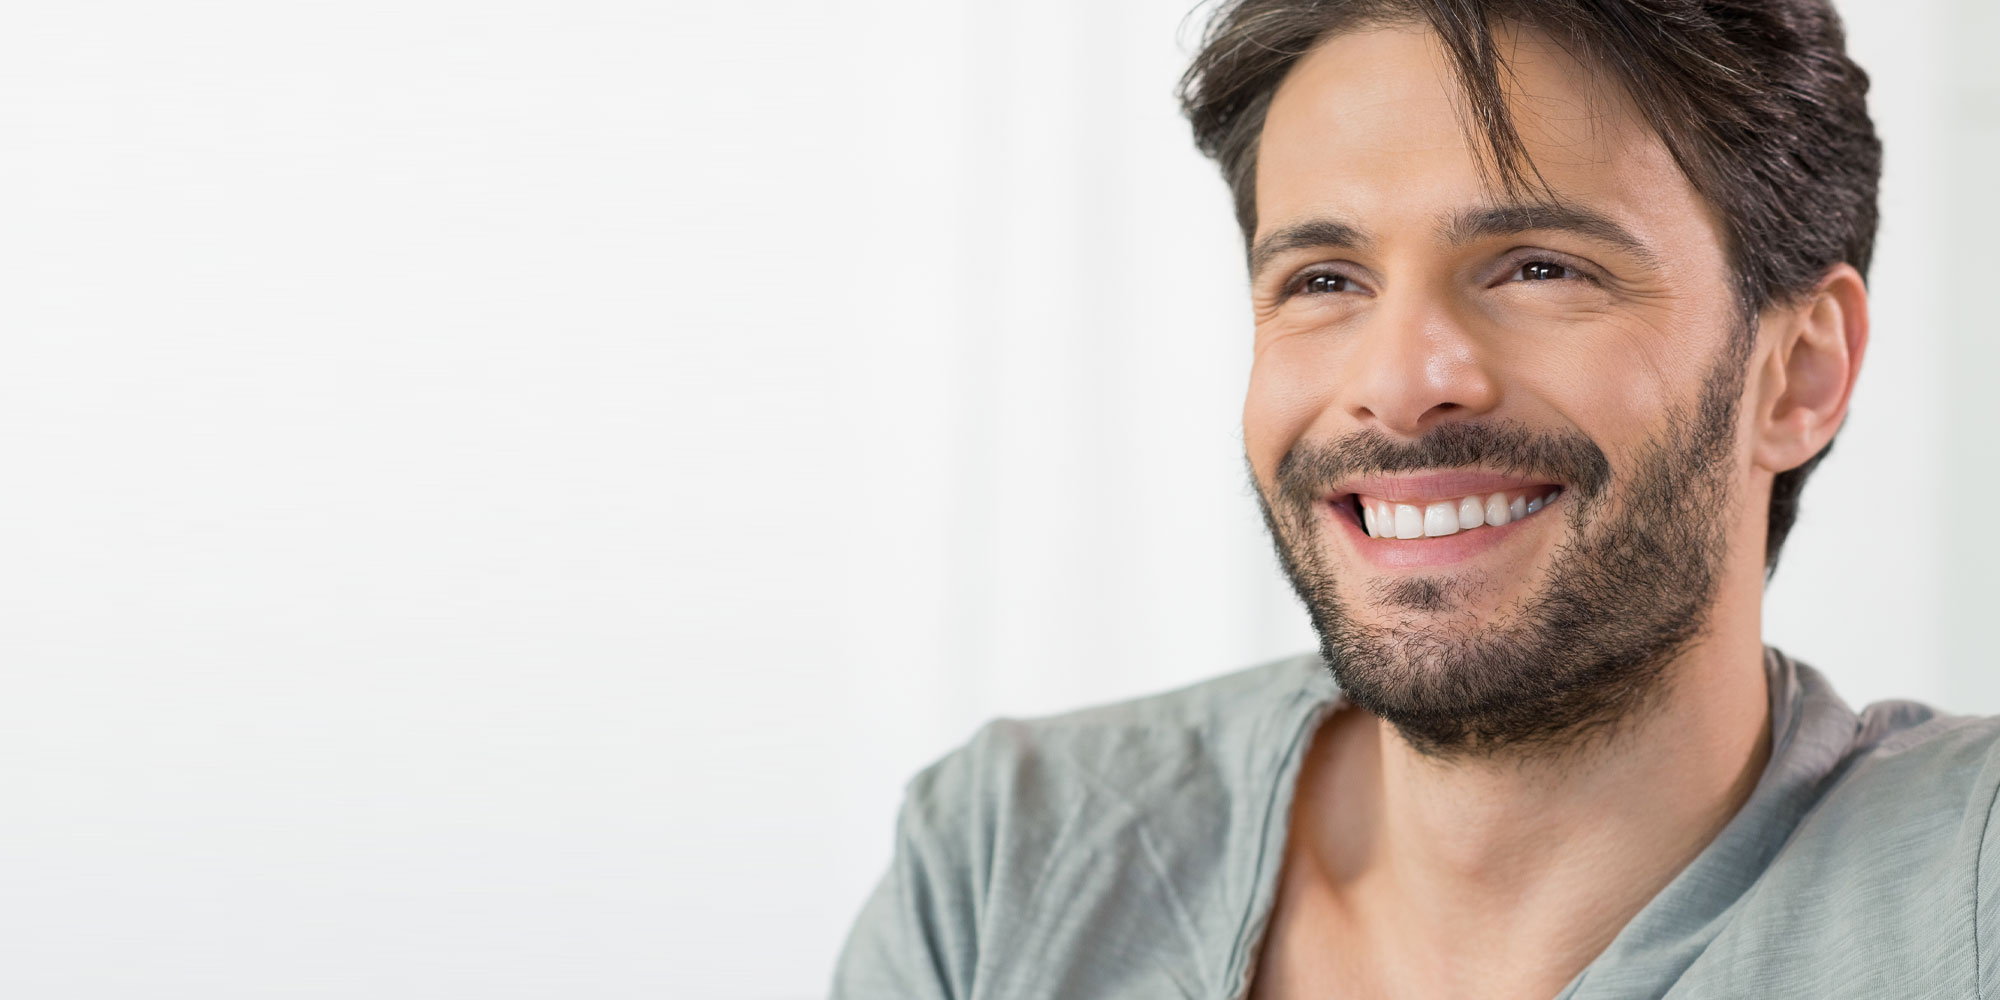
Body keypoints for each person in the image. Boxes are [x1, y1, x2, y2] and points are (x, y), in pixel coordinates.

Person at [833, 1, 1987, 996]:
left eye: (1538, 267)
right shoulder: (1004, 868)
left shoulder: (1964, 895)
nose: (1395, 385)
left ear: (1799, 372)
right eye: (1323, 281)